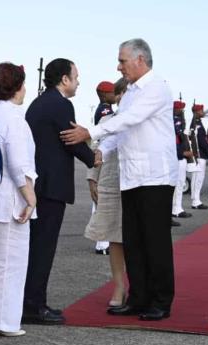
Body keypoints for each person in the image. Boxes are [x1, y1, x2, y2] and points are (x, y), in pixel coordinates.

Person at [60, 38, 177, 321]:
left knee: (155, 241)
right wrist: (101, 150)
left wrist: (91, 133)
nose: (119, 66)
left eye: (123, 60)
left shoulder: (156, 88)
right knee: (133, 240)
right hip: (131, 176)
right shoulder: (132, 92)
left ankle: (160, 300)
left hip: (155, 177)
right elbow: (121, 132)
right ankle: (138, 298)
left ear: (140, 59)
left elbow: (131, 119)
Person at [23, 58, 97, 325]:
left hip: (39, 185)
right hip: (51, 188)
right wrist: (93, 159)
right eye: (75, 76)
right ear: (64, 79)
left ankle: (31, 302)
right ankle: (33, 306)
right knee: (43, 248)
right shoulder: (60, 104)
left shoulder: (40, 102)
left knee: (35, 247)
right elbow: (72, 139)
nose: (78, 81)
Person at [0, 63, 36, 337]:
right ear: (15, 87)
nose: (25, 89)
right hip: (12, 200)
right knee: (11, 264)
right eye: (23, 84)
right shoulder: (13, 117)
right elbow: (18, 162)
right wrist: (30, 197)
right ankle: (4, 322)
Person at [85, 77, 128, 307]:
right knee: (114, 238)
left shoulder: (142, 121)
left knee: (136, 238)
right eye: (119, 94)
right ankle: (119, 287)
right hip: (111, 182)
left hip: (137, 183)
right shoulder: (106, 120)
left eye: (126, 93)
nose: (122, 98)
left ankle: (139, 286)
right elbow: (95, 150)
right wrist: (92, 178)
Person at [92, 80, 115, 254]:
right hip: (104, 155)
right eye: (112, 92)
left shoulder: (105, 109)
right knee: (101, 199)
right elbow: (108, 133)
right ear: (104, 94)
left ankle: (102, 241)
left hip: (103, 153)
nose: (115, 95)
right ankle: (102, 243)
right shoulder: (106, 111)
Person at [171, 100, 193, 220]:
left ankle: (177, 207)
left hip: (181, 156)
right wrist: (182, 152)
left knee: (180, 183)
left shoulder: (178, 121)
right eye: (181, 109)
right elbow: (172, 141)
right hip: (177, 156)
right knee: (177, 184)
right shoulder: (174, 121)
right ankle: (176, 209)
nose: (182, 111)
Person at [190, 103, 208, 209]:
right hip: (199, 154)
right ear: (197, 112)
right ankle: (195, 201)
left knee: (199, 178)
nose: (203, 112)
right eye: (201, 111)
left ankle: (196, 199)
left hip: (201, 154)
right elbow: (200, 140)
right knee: (197, 178)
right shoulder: (195, 123)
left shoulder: (198, 122)